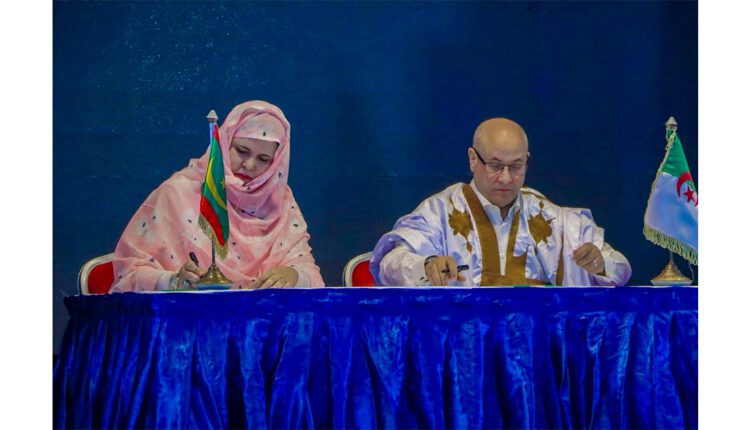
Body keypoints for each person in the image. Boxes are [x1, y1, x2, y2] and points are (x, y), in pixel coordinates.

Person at [371, 118, 631, 287]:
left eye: (516, 166)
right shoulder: (440, 211)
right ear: (473, 159)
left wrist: (600, 265)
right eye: (495, 166)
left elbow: (621, 269)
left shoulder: (553, 218)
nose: (506, 178)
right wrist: (426, 265)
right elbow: (389, 263)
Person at [111, 100, 324, 291]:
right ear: (224, 143)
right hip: (187, 319)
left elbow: (312, 275)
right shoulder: (177, 193)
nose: (250, 165)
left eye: (263, 159)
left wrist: (294, 275)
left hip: (263, 320)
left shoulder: (279, 200)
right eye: (242, 151)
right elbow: (128, 273)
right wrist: (173, 282)